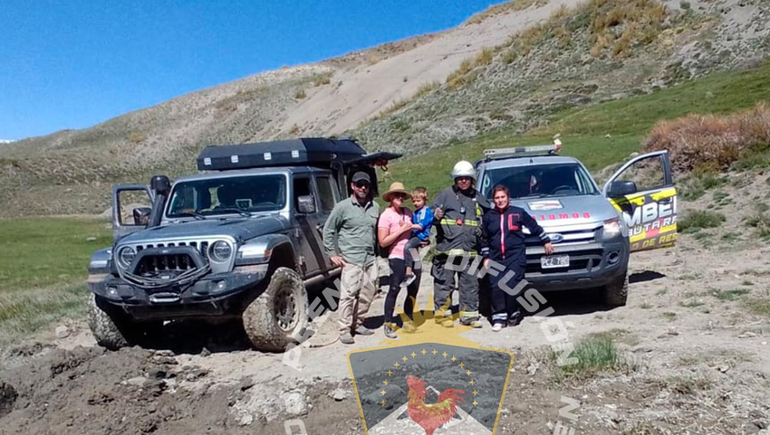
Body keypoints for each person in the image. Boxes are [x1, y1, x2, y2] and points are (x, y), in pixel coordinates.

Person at [481, 184, 553, 332]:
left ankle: (513, 312)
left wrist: (545, 241)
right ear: (493, 199)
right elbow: (484, 238)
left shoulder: (518, 213)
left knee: (512, 285)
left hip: (515, 255)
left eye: (502, 197)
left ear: (508, 198)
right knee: (496, 286)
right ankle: (499, 317)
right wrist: (486, 257)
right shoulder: (488, 217)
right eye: (497, 197)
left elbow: (534, 227)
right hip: (495, 256)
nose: (500, 200)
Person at [322, 171, 380, 345]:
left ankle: (359, 323)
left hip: (370, 258)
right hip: (351, 259)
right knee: (348, 295)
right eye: (359, 184)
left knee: (368, 293)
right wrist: (332, 254)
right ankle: (345, 329)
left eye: (366, 185)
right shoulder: (342, 207)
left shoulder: (375, 207)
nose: (363, 188)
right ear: (352, 186)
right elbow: (328, 230)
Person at [431, 161, 490, 328]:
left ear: (472, 179)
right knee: (444, 284)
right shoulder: (445, 195)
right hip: (447, 252)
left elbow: (490, 216)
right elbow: (429, 216)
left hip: (470, 253)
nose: (463, 181)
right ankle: (443, 316)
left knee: (470, 285)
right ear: (455, 179)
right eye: (460, 178)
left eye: (466, 178)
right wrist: (435, 214)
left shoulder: (478, 198)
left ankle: (469, 317)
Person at [377, 182, 422, 339]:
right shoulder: (385, 216)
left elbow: (416, 231)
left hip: (413, 254)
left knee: (414, 288)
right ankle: (388, 323)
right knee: (395, 288)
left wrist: (421, 240)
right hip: (396, 255)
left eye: (402, 195)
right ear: (390, 197)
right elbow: (383, 241)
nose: (400, 198)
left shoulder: (408, 212)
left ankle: (408, 318)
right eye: (396, 195)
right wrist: (401, 230)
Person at [403, 187, 433, 287]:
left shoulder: (426, 211)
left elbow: (421, 226)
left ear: (424, 199)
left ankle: (409, 272)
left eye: (418, 201)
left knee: (408, 247)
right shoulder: (416, 212)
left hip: (421, 235)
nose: (415, 203)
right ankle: (416, 268)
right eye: (413, 201)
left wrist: (409, 226)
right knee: (414, 252)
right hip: (416, 234)